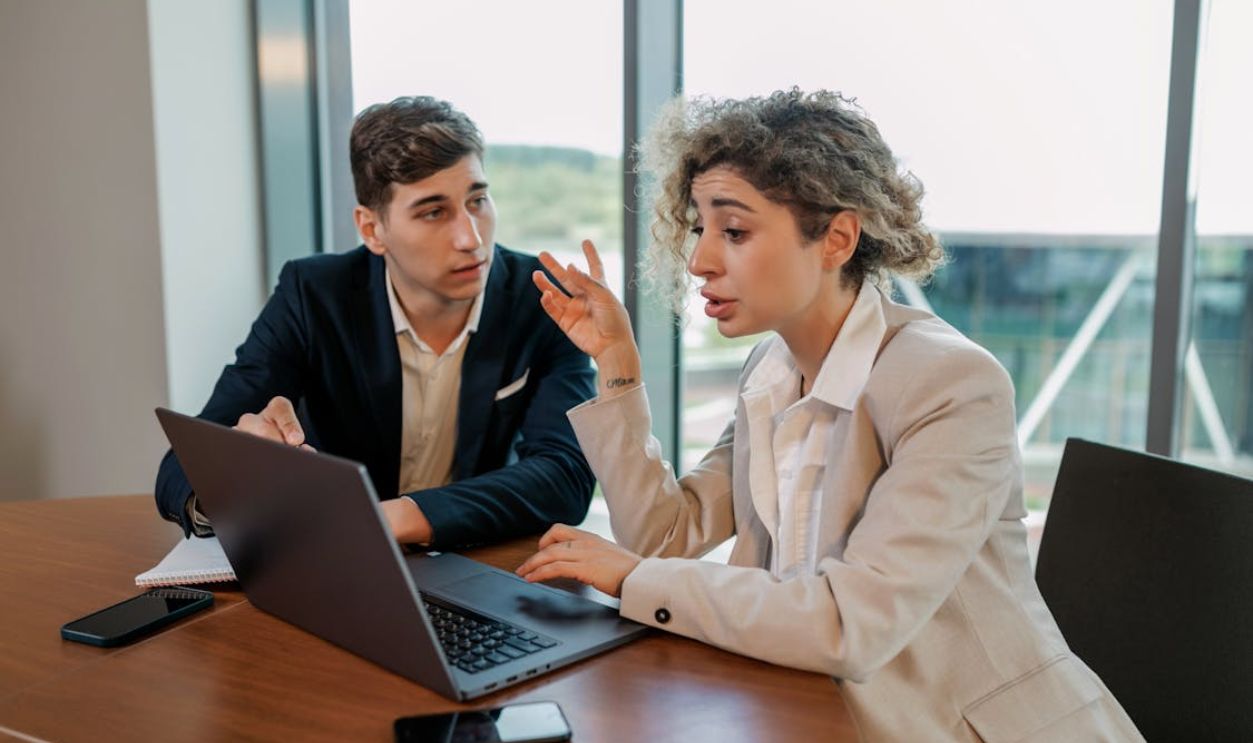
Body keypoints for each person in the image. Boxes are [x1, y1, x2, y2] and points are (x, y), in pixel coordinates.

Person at [515, 89, 1142, 741]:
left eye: (733, 230)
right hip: (806, 710)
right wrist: (617, 363)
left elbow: (849, 623)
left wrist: (639, 576)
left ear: (836, 238)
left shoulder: (952, 384)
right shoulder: (772, 370)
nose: (699, 259)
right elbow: (664, 537)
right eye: (699, 227)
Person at [155, 96, 596, 549]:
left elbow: (566, 475)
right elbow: (181, 466)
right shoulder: (312, 295)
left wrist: (398, 517)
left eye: (477, 200)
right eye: (433, 211)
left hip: (477, 561)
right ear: (371, 230)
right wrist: (231, 477)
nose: (470, 238)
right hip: (339, 563)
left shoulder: (543, 299)